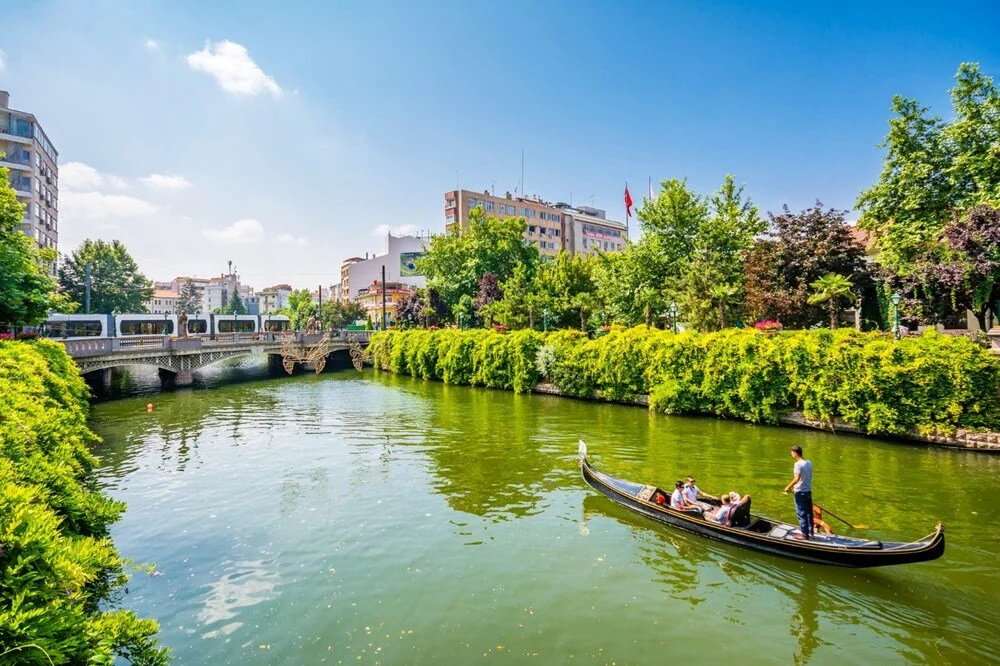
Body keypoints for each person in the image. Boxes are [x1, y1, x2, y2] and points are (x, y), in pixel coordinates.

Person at [783, 445, 814, 540]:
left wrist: (788, 486)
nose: (791, 454)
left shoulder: (798, 464)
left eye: (792, 452)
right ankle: (810, 531)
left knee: (801, 513)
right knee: (809, 512)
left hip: (800, 492)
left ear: (795, 453)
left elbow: (797, 478)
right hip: (808, 491)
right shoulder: (809, 462)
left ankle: (804, 535)